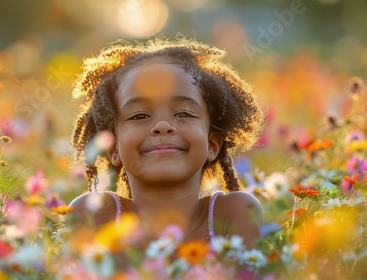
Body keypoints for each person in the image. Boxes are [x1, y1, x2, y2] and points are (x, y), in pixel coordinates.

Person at [69, 36, 264, 249]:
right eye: (139, 116)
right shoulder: (95, 216)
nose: (162, 125)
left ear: (212, 145)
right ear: (113, 148)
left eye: (184, 113)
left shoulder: (234, 213)